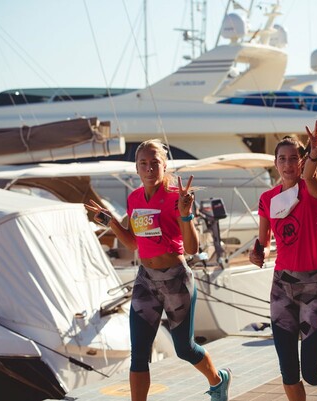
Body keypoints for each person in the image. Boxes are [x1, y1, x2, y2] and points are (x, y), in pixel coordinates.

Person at [85, 139, 231, 401]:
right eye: (144, 163)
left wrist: (186, 216)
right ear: (137, 168)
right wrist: (109, 221)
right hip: (146, 281)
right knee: (139, 352)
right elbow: (132, 242)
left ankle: (218, 380)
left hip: (175, 279)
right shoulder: (134, 198)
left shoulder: (177, 198)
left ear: (164, 166)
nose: (149, 168)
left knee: (184, 349)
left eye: (155, 163)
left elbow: (191, 248)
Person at [249, 120, 317, 401]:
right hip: (282, 286)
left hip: (315, 287)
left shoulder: (310, 189)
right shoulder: (267, 198)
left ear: (301, 161)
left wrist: (315, 154)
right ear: (275, 163)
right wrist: (257, 252)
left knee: (312, 373)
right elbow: (264, 241)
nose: (287, 164)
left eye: (293, 158)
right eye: (282, 159)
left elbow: (309, 175)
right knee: (288, 372)